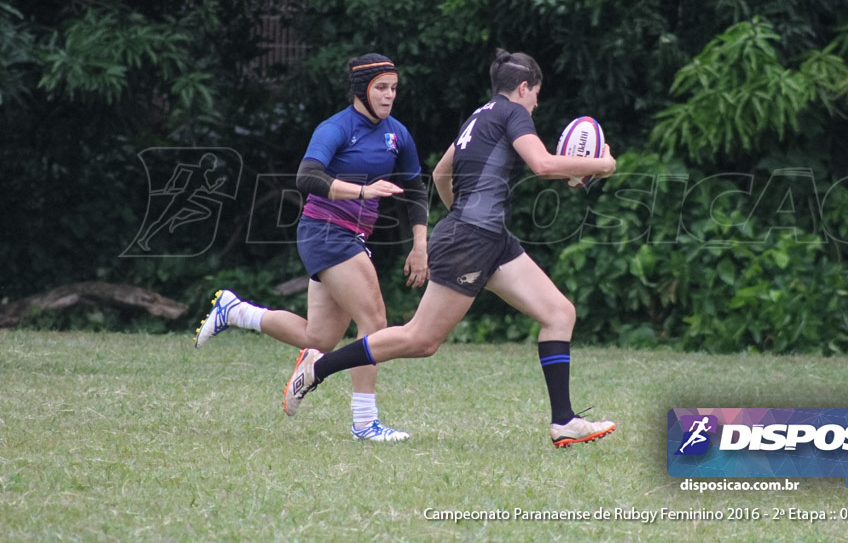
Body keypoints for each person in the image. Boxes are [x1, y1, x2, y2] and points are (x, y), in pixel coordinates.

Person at [281, 49, 618, 448]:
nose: (536, 104)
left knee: (559, 313)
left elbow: (442, 172)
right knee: (420, 340)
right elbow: (542, 166)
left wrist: (460, 210)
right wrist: (601, 166)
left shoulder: (479, 116)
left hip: (490, 238)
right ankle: (319, 367)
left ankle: (564, 421)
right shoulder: (513, 113)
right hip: (471, 239)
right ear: (524, 87)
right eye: (536, 94)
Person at [194, 53, 428, 442]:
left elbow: (416, 189)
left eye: (394, 89)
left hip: (350, 236)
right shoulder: (335, 128)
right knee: (374, 323)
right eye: (381, 88)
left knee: (317, 339)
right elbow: (307, 176)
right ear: (361, 90)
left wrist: (421, 245)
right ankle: (364, 423)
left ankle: (235, 312)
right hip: (326, 231)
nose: (389, 96)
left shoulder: (397, 133)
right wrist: (364, 191)